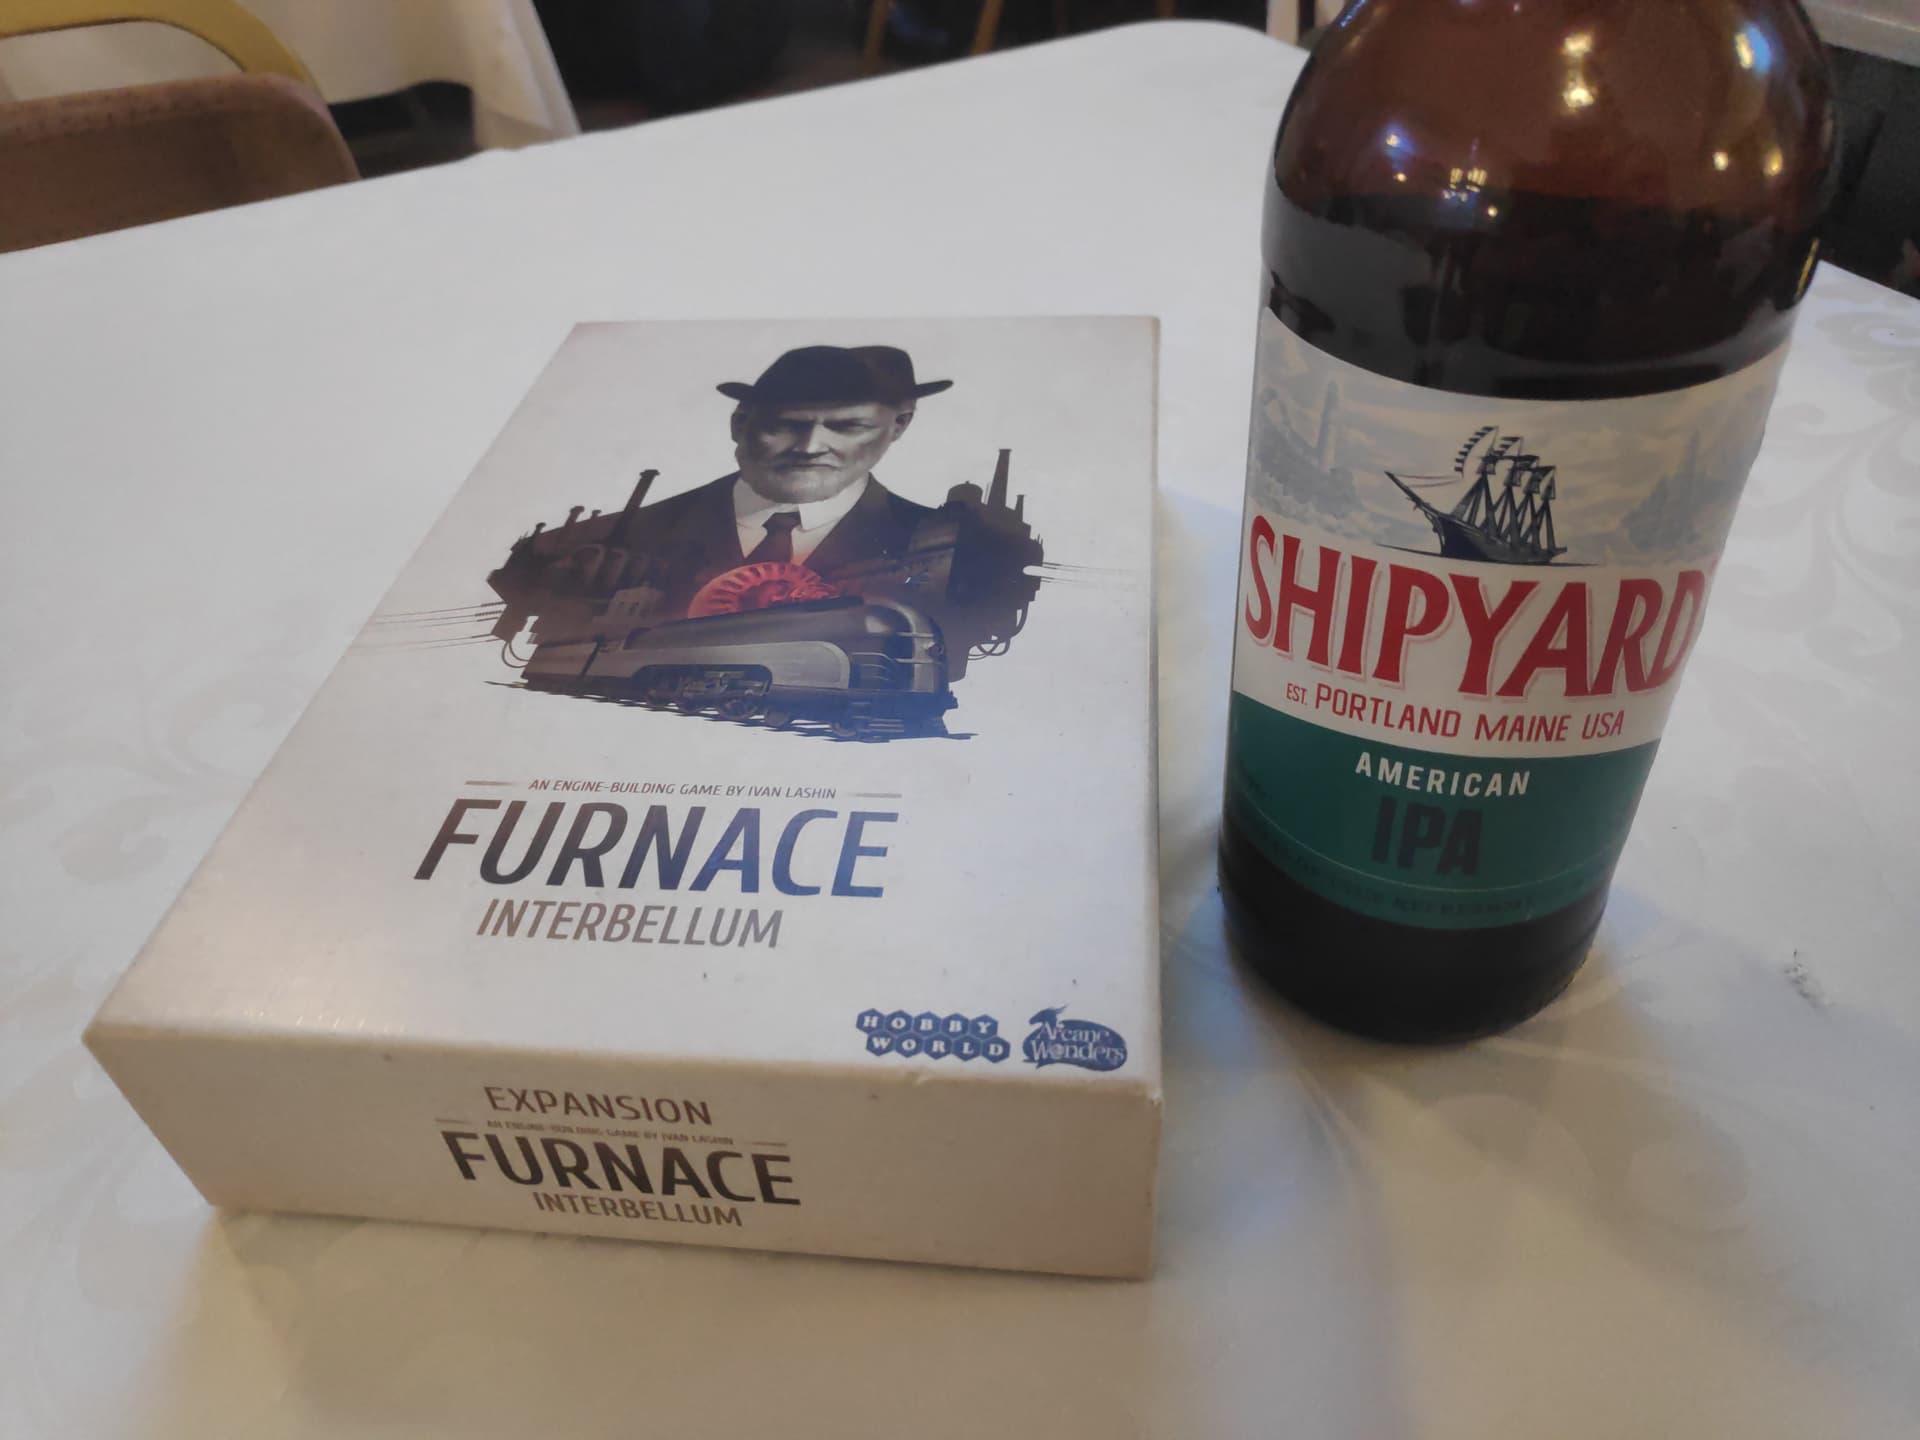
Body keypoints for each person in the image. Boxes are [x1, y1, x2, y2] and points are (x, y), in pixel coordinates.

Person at [620, 344, 950, 615]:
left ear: (898, 426)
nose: (810, 448)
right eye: (785, 425)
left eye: (848, 427)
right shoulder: (627, 533)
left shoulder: (951, 544)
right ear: (739, 424)